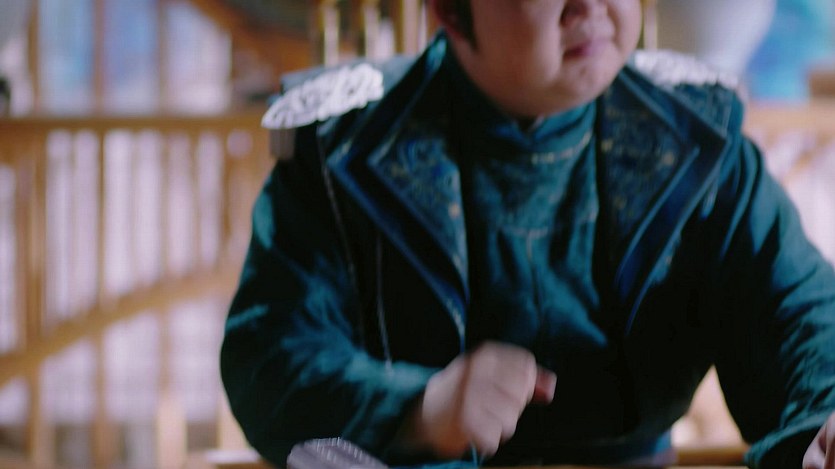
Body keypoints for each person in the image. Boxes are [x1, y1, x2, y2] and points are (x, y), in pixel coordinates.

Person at [221, 0, 835, 467]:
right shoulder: (342, 150)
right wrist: (418, 408)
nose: (589, 7)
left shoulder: (699, 138)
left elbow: (797, 312)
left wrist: (826, 415)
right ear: (449, 11)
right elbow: (269, 357)